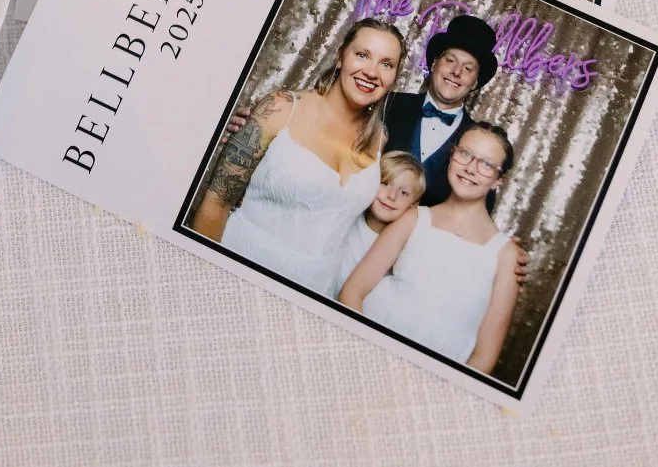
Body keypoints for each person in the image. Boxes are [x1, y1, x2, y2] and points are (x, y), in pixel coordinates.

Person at [190, 19, 405, 298]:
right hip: (236, 268)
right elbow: (216, 203)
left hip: (314, 291)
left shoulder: (379, 139)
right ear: (341, 56)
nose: (372, 72)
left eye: (386, 64)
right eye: (362, 55)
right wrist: (201, 279)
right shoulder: (281, 107)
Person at [339, 121, 521, 373]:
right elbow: (352, 292)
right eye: (465, 154)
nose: (471, 168)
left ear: (498, 180)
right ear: (452, 154)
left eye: (487, 164)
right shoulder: (411, 219)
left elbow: (484, 357)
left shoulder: (507, 255)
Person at [382, 14, 497, 206]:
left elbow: (479, 209)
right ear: (434, 63)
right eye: (450, 61)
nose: (456, 72)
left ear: (475, 82)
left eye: (468, 69)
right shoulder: (389, 103)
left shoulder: (480, 142)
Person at [334, 150, 425, 293]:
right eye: (385, 183)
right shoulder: (347, 218)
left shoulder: (402, 251)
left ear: (414, 204)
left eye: (403, 192)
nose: (392, 196)